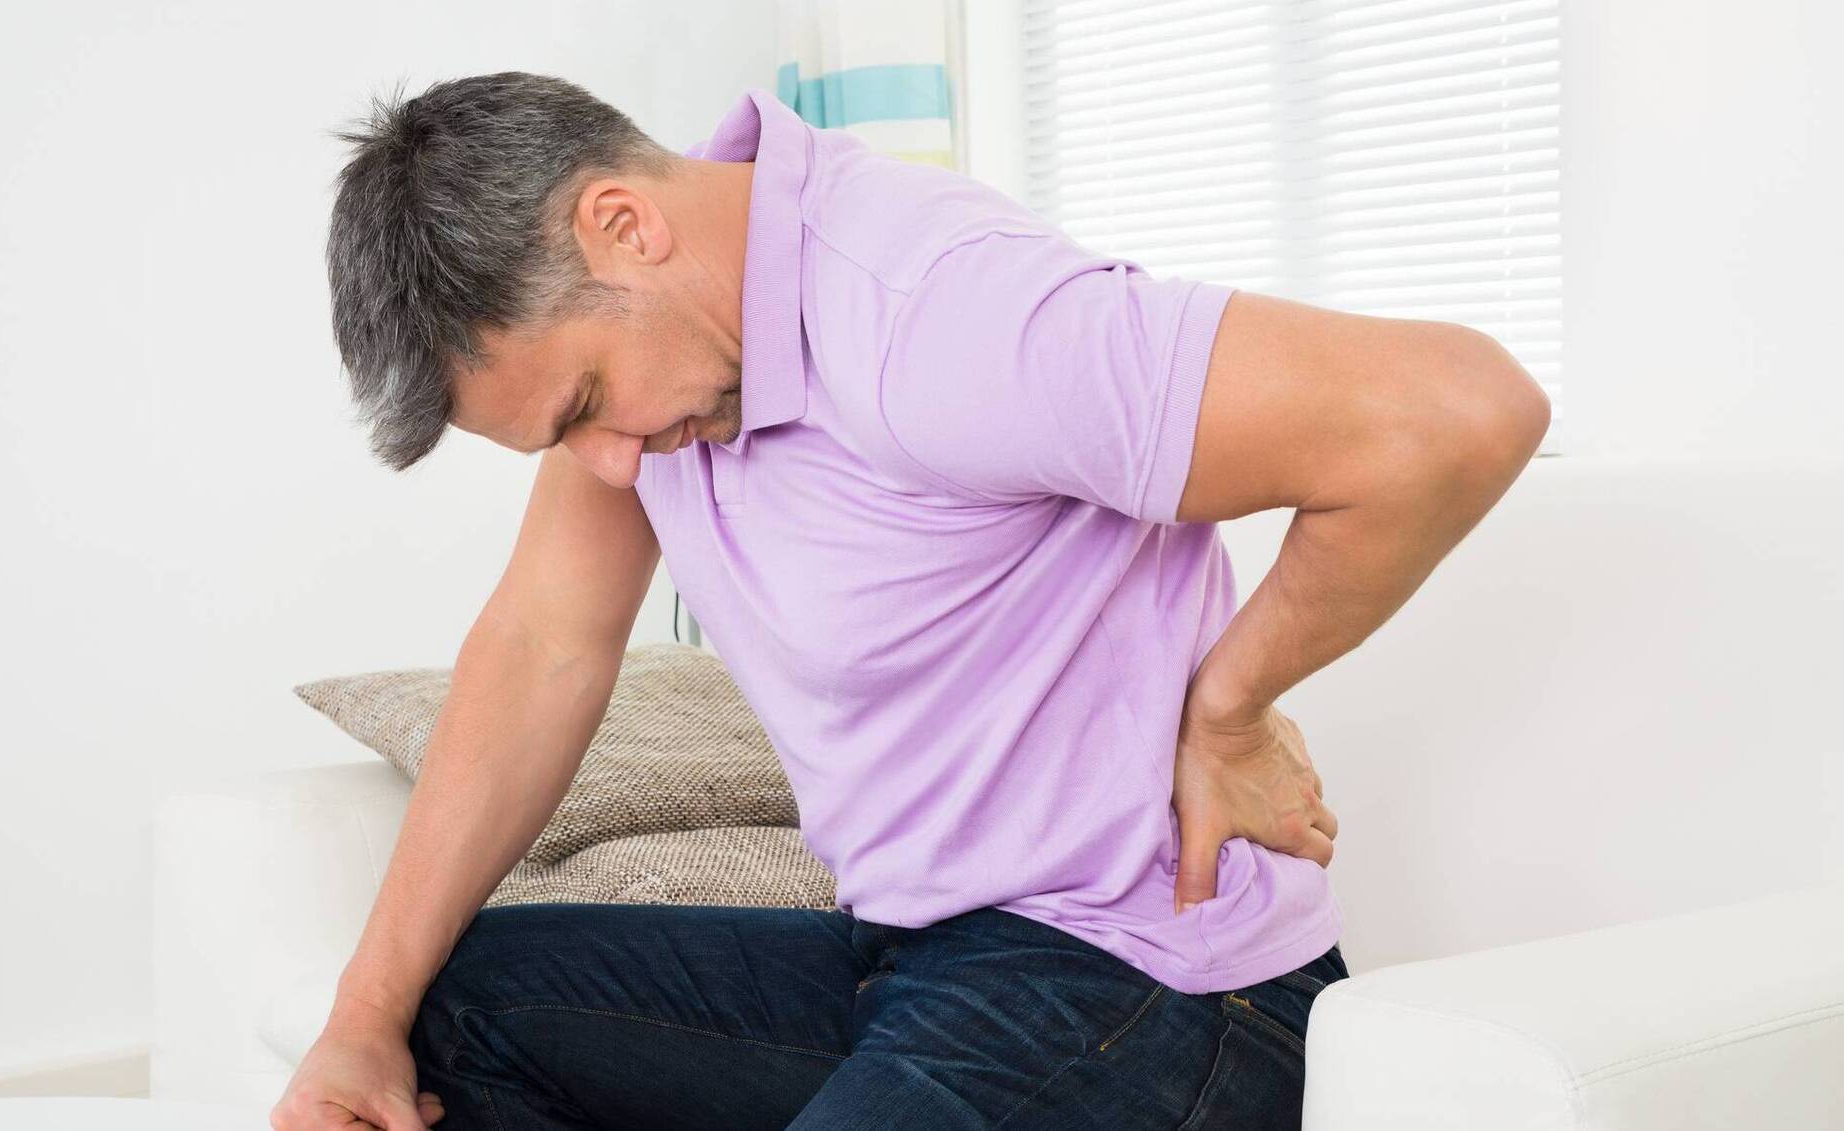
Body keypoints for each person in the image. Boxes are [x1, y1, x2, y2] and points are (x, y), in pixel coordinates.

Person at [272, 73, 1548, 1131]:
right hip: (916, 960)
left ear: (621, 224)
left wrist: (1230, 706)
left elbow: (1454, 413)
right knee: (454, 1015)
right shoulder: (667, 371)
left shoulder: (938, 313)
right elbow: (541, 647)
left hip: (1156, 990)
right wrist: (360, 1021)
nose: (602, 467)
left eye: (585, 404)